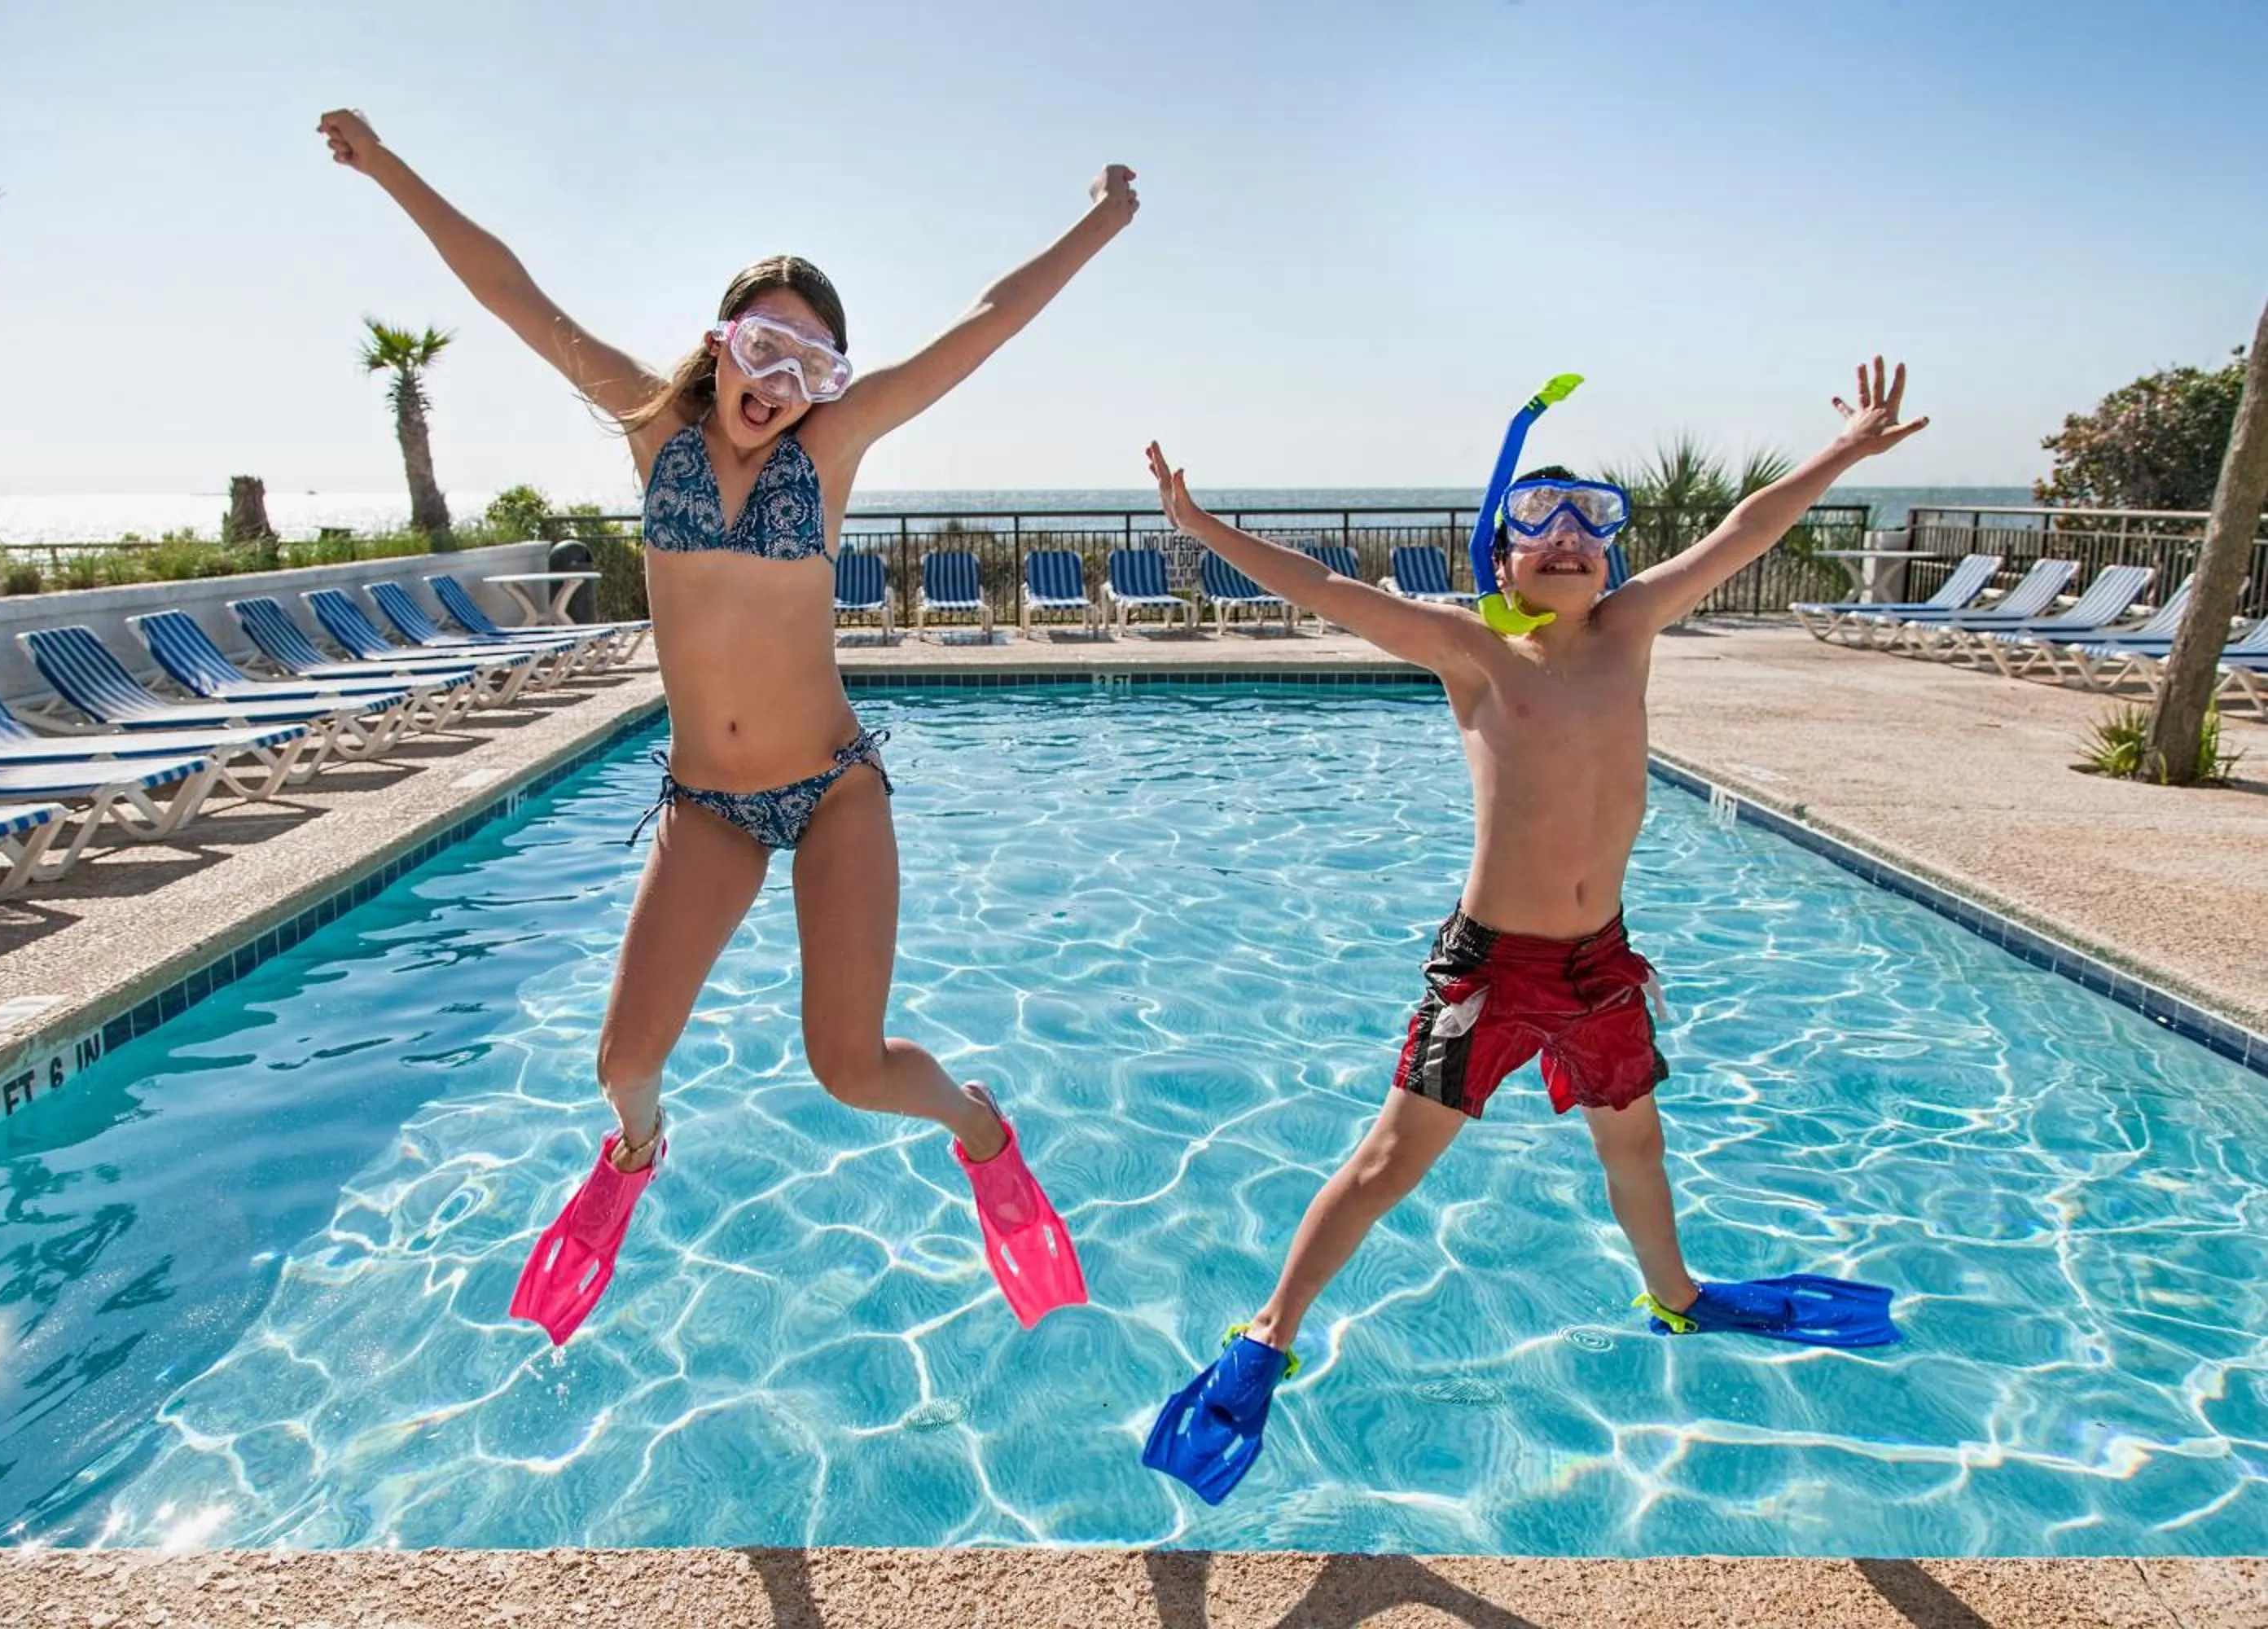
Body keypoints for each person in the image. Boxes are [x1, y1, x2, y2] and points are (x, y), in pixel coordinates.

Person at [315, 109, 1130, 1344]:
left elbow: (987, 320)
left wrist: (1102, 222)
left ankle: (980, 1130)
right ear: (721, 343)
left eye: (814, 368)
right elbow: (510, 291)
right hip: (708, 805)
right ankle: (637, 1156)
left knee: (848, 1071)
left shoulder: (834, 449)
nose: (782, 386)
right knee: (619, 1067)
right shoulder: (654, 433)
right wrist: (384, 169)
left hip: (834, 787)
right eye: (766, 351)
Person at [1135, 360, 1928, 1504]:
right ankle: (1266, 1334)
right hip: (1491, 972)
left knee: (1636, 1145)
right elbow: (1321, 584)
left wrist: (1846, 452)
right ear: (1497, 560)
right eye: (1537, 525)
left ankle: (1677, 1294)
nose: (1569, 537)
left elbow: (1748, 525)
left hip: (1600, 963)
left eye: (1592, 523)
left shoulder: (1633, 623)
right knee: (1386, 1163)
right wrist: (1200, 524)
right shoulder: (1473, 651)